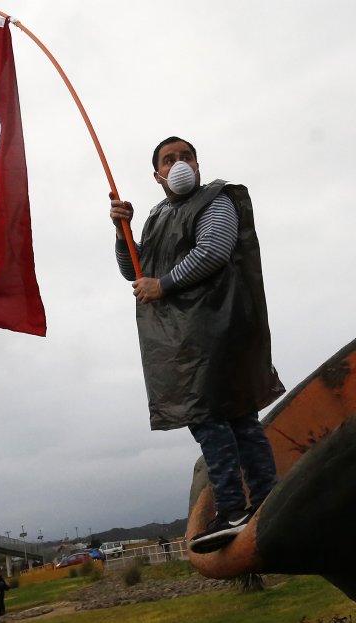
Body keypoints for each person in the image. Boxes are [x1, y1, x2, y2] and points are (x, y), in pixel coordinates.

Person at [110, 136, 285, 554]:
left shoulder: (216, 200)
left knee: (213, 417)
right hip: (184, 338)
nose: (178, 164)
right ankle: (266, 499)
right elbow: (135, 271)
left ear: (198, 163)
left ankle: (234, 507)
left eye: (185, 156)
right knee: (237, 418)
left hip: (216, 328)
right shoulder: (155, 217)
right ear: (157, 175)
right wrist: (123, 233)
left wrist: (163, 285)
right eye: (169, 160)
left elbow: (213, 251)